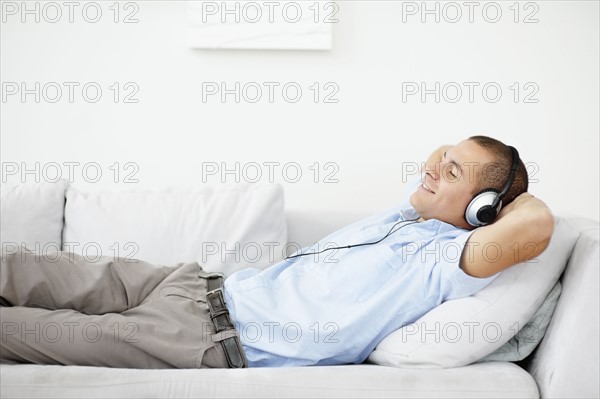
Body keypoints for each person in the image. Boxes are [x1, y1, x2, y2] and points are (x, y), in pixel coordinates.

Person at [0, 135, 554, 369]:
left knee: (20, 331)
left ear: (484, 208)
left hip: (204, 340)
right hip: (193, 284)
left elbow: (535, 226)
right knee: (24, 268)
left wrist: (503, 202)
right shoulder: (406, 218)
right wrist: (458, 166)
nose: (433, 168)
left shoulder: (448, 265)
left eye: (452, 172)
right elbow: (439, 160)